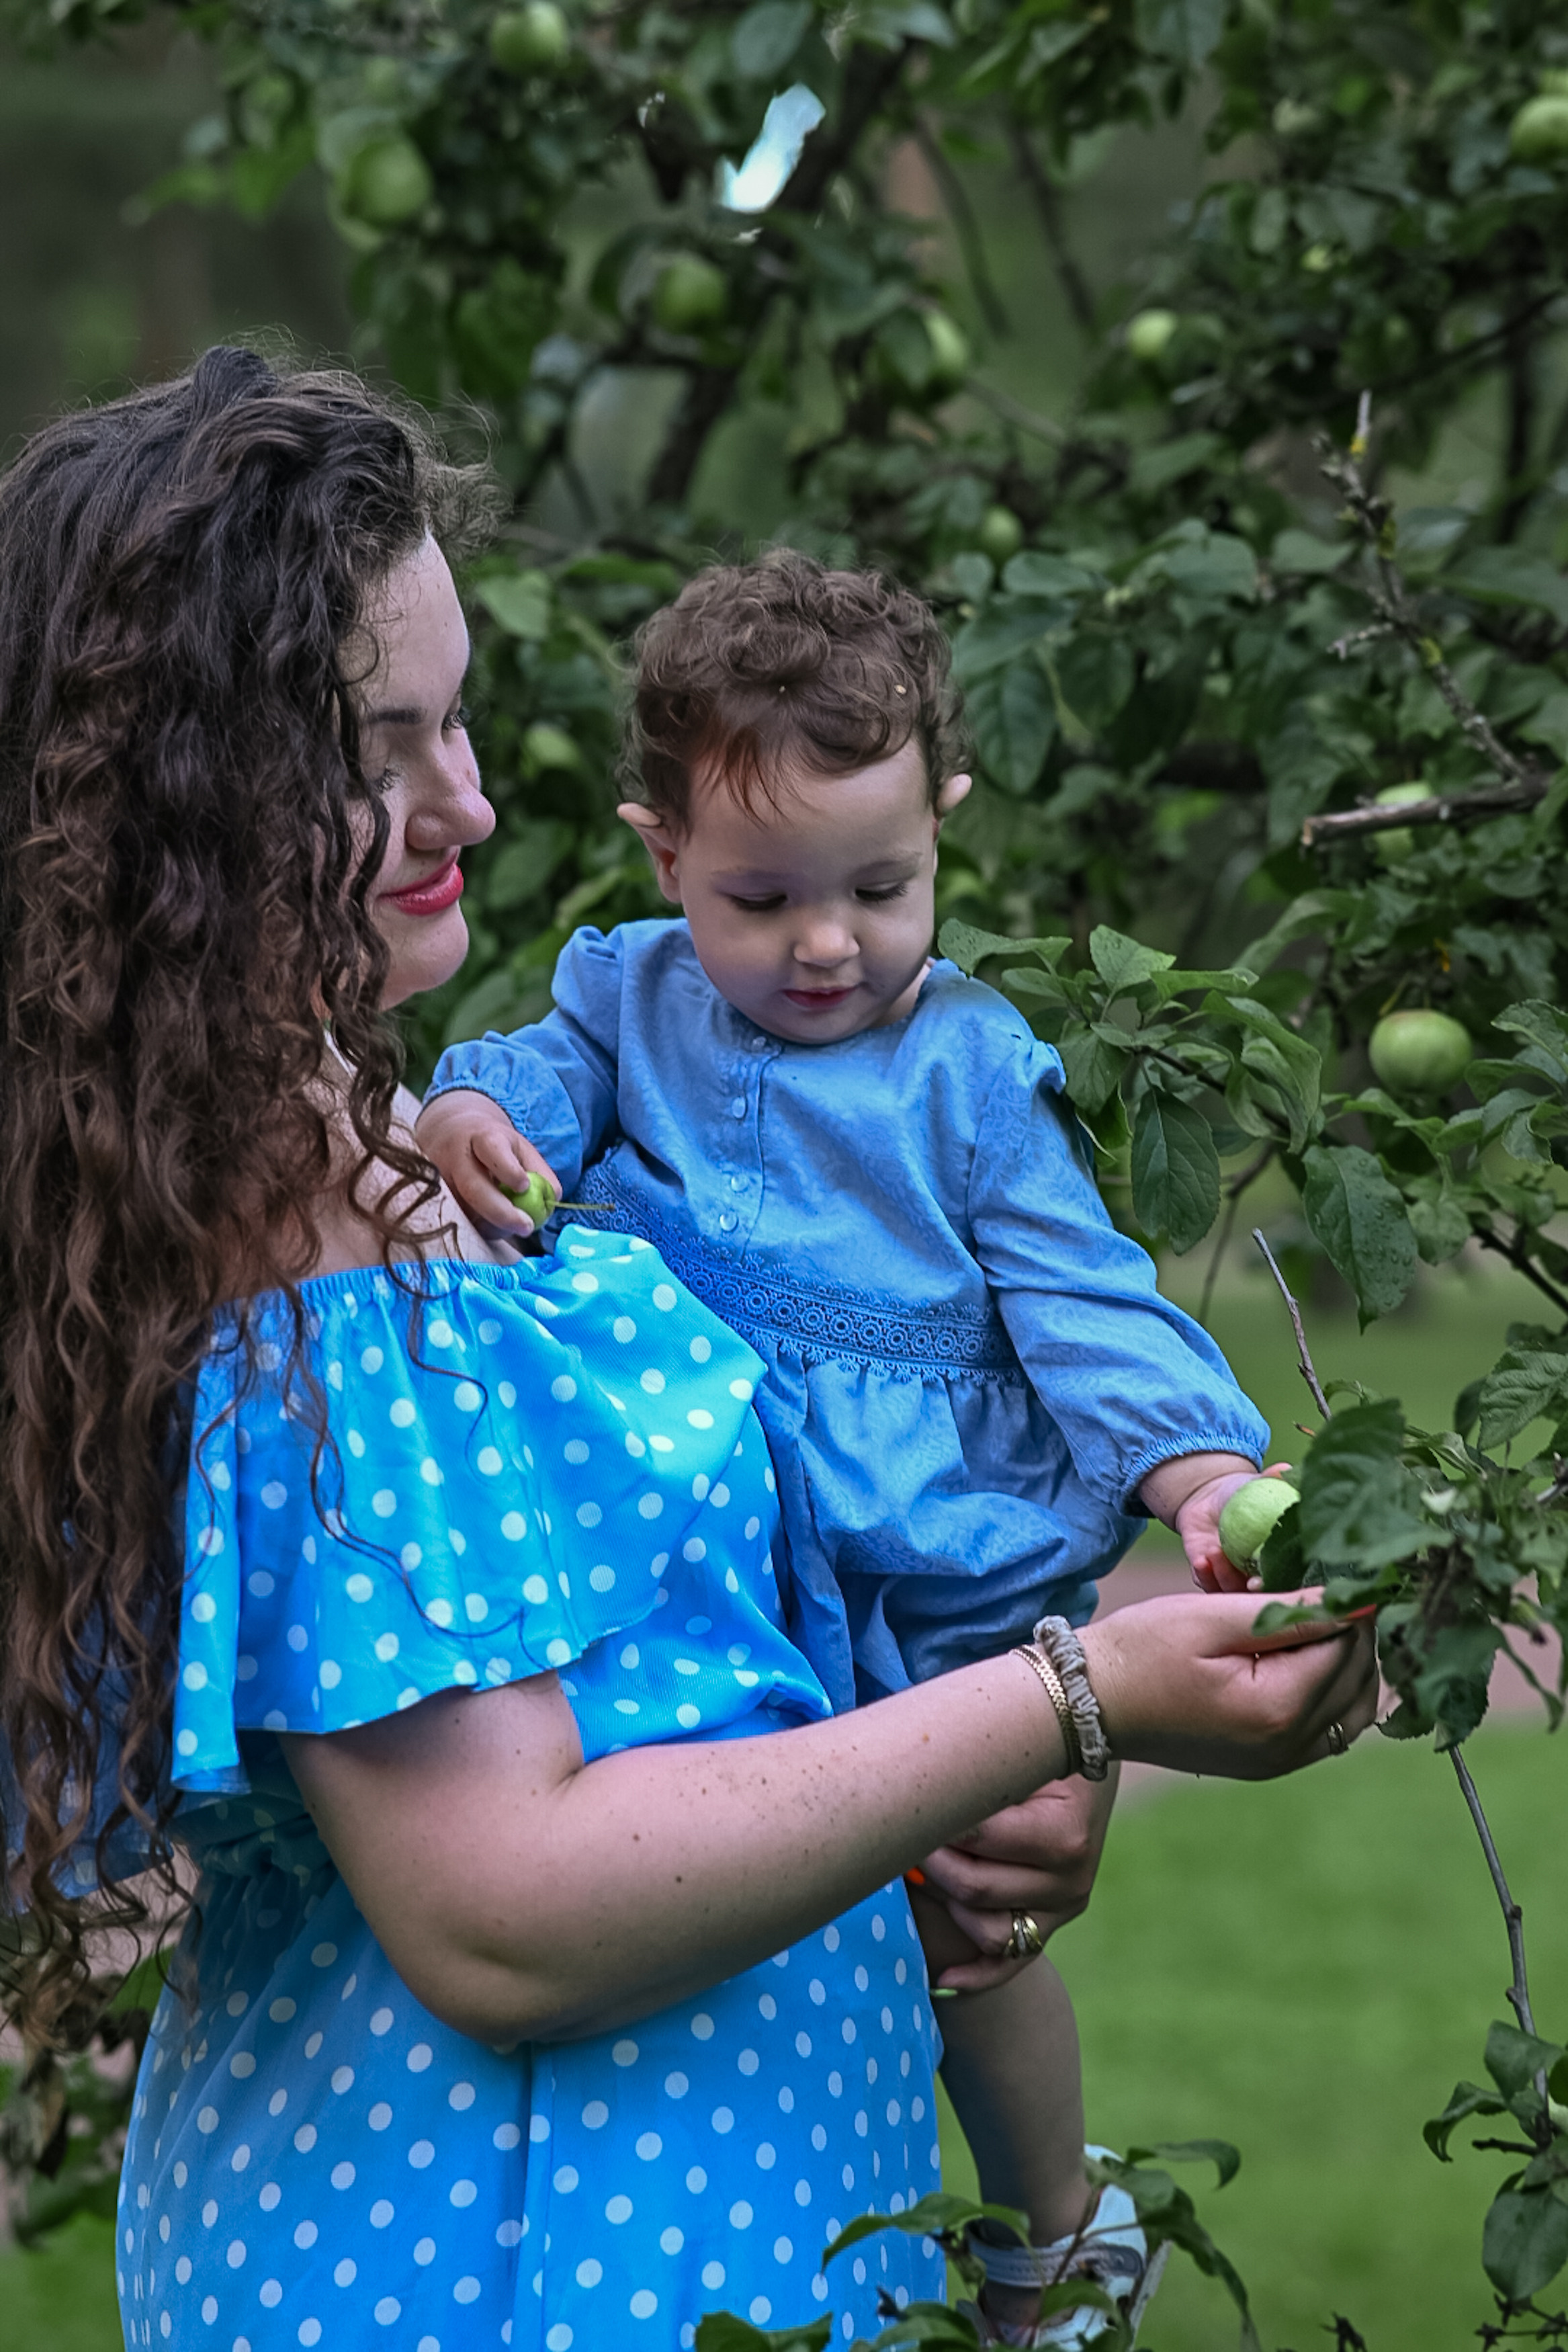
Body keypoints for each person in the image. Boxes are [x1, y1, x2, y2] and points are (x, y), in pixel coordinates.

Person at [0, 350, 1376, 2352]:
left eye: (457, 718)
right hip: (509, 2265)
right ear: (186, 798)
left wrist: (952, 1781)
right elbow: (506, 1907)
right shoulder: (288, 1217)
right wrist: (1076, 1697)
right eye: (383, 750)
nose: (470, 802)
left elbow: (666, 1706)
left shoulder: (360, 1139)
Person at [415, 554, 1286, 2345]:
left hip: (917, 1572)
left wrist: (1199, 1472)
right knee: (711, 1881)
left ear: (943, 821)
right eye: (765, 896)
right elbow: (529, 1082)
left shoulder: (969, 1068)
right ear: (665, 853)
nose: (829, 944)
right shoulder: (632, 999)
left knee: (973, 1930)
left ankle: (1059, 2238)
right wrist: (475, 1109)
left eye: (883, 887)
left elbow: (1082, 1302)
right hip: (715, 1561)